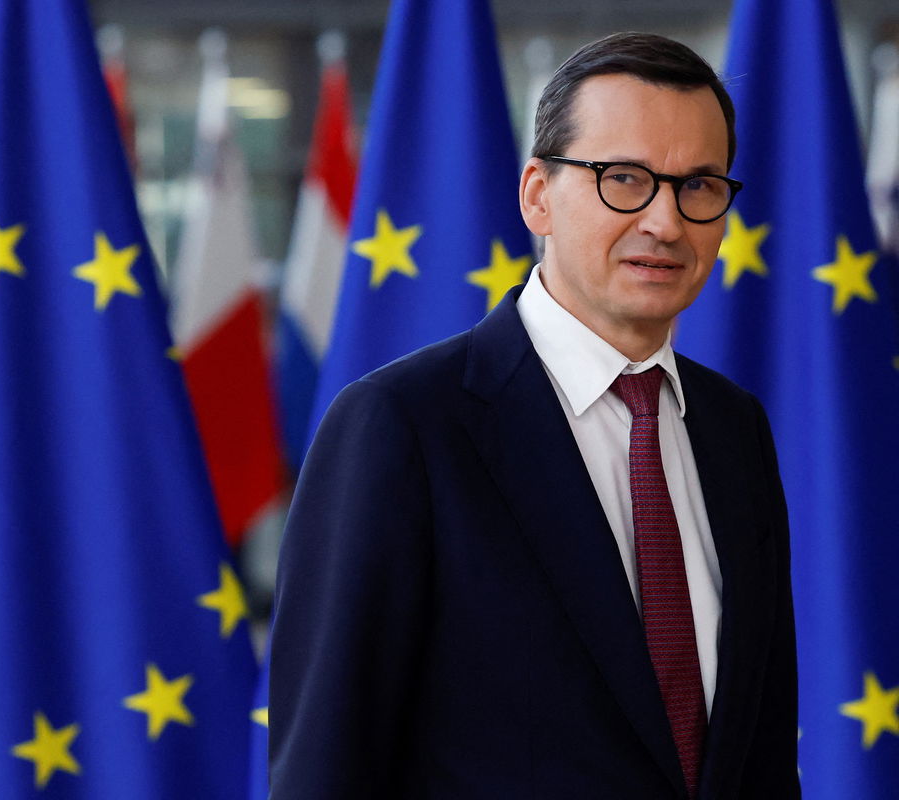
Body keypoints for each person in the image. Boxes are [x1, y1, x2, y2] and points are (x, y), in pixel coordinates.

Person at [269, 32, 798, 799]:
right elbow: (326, 765)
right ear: (537, 196)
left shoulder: (734, 429)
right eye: (624, 178)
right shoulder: (403, 427)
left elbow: (761, 759)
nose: (666, 221)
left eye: (700, 185)